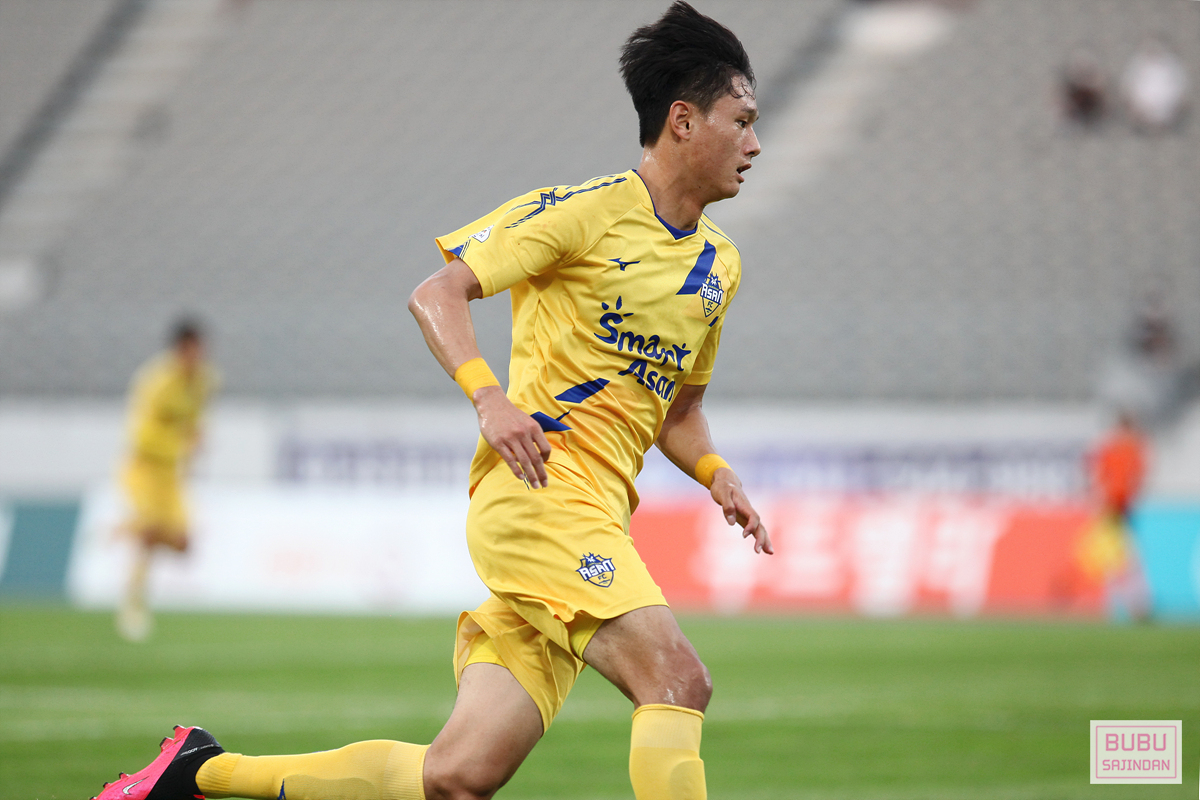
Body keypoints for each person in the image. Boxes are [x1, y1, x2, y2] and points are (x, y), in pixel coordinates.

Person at [92, 3, 770, 799]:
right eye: (742, 121)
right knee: (677, 680)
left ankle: (197, 772)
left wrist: (716, 471)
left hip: (597, 515)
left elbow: (679, 411)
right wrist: (490, 399)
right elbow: (437, 293)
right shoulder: (583, 212)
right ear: (683, 121)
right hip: (541, 500)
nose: (755, 144)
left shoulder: (720, 267)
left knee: (457, 775)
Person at [115, 318, 215, 642]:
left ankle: (124, 530)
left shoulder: (205, 380)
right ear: (179, 350)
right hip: (144, 467)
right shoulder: (156, 382)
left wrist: (196, 440)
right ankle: (132, 605)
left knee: (184, 544)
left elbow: (195, 419)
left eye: (200, 350)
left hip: (172, 474)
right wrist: (178, 446)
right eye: (191, 350)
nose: (196, 356)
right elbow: (139, 435)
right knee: (150, 533)